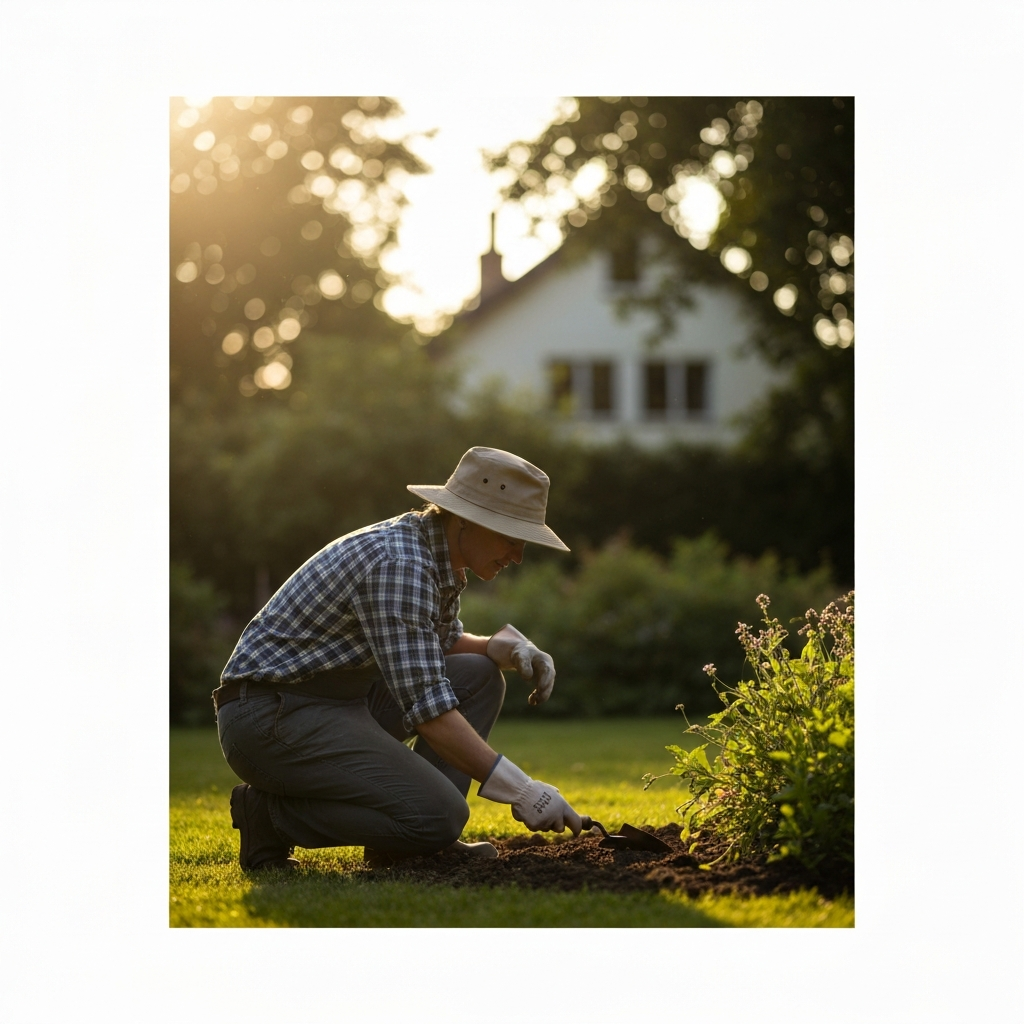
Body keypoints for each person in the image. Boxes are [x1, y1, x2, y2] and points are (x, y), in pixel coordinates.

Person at [212, 446, 584, 871]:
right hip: (270, 716)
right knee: (440, 816)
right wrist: (523, 790)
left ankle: (407, 846)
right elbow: (429, 708)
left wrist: (500, 647)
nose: (517, 556)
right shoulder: (400, 563)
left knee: (480, 674)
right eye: (511, 538)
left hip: (335, 701)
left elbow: (432, 643)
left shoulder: (434, 556)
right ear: (467, 520)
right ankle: (269, 818)